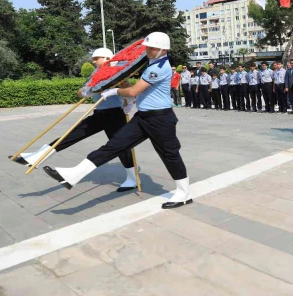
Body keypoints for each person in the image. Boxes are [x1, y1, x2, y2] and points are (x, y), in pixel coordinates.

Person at [42, 32, 191, 209]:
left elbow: (134, 91)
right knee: (114, 145)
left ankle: (183, 193)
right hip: (143, 117)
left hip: (160, 119)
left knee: (169, 154)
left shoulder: (158, 68)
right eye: (147, 47)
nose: (148, 50)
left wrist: (114, 92)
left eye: (152, 48)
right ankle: (74, 174)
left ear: (163, 50)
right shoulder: (151, 63)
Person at [10, 48, 138, 193]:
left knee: (121, 147)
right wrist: (87, 91)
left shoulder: (118, 71)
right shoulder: (96, 72)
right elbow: (80, 91)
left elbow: (129, 89)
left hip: (115, 115)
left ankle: (132, 179)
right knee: (71, 134)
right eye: (93, 58)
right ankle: (37, 157)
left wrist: (127, 101)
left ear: (107, 58)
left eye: (96, 58)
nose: (93, 61)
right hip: (98, 114)